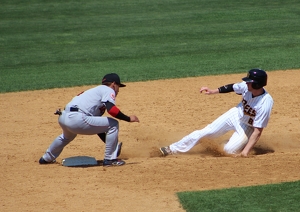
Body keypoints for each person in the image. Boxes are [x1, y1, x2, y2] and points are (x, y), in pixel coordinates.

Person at [160, 69, 273, 157]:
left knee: (227, 150)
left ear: (257, 85)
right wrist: (213, 91)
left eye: (249, 82)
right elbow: (232, 87)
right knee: (205, 132)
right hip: (236, 114)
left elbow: (258, 131)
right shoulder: (246, 87)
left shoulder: (265, 103)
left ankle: (230, 142)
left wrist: (245, 152)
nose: (246, 83)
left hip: (248, 126)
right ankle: (171, 149)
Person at [39, 73, 139, 166]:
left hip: (64, 117)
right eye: (118, 87)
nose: (118, 91)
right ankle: (110, 159)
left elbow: (98, 127)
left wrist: (114, 145)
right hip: (76, 118)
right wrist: (128, 118)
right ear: (113, 84)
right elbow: (112, 110)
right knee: (113, 124)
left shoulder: (94, 92)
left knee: (66, 137)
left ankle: (46, 158)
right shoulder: (108, 90)